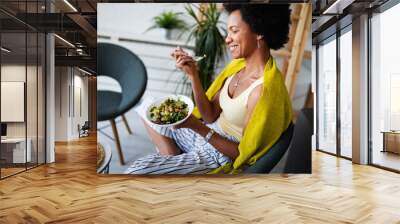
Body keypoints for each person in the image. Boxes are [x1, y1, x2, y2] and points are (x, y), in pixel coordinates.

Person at [125, 4, 293, 174]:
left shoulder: (262, 91)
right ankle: (174, 164)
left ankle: (174, 169)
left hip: (219, 153)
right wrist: (193, 75)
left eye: (234, 31)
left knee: (136, 171)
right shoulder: (238, 67)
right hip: (206, 132)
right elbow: (209, 115)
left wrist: (197, 127)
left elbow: (242, 155)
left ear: (259, 32)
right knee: (148, 106)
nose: (227, 39)